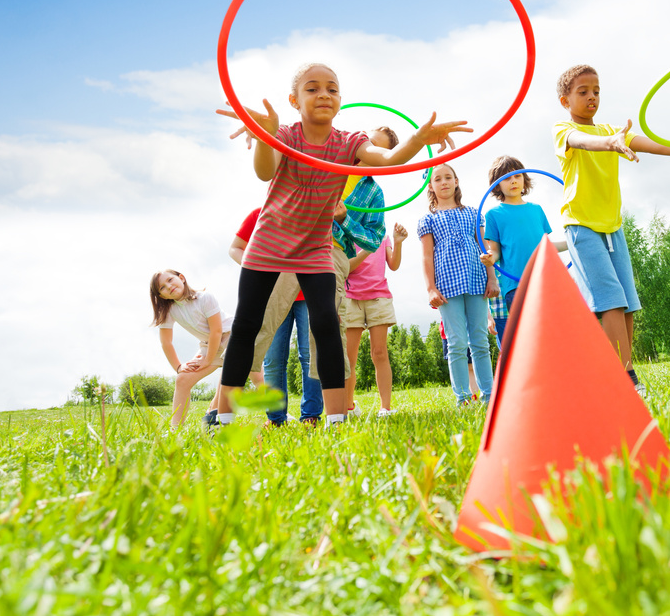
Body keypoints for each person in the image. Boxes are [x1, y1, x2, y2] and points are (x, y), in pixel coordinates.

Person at [215, 63, 469, 426]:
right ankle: (223, 417)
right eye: (312, 88)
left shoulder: (348, 143)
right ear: (294, 99)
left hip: (317, 247)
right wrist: (266, 136)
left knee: (326, 324)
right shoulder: (285, 133)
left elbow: (388, 159)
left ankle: (336, 419)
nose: (323, 95)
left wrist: (417, 140)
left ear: (340, 100)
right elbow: (264, 171)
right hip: (269, 242)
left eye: (332, 89)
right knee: (246, 325)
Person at [554, 64, 670, 398]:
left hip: (613, 226)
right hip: (580, 226)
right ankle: (625, 379)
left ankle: (623, 372)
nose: (592, 97)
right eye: (583, 92)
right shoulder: (563, 130)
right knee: (610, 301)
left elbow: (651, 144)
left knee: (628, 303)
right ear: (566, 100)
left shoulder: (612, 130)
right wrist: (608, 142)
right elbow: (581, 141)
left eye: (596, 90)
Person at [323, 126, 398, 416]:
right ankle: (343, 407)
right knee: (342, 350)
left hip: (345, 267)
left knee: (375, 351)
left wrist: (344, 220)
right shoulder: (329, 165)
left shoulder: (373, 193)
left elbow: (373, 239)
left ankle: (382, 407)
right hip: (311, 253)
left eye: (377, 151)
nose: (366, 153)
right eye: (367, 144)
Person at [418, 163, 498, 405]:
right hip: (447, 286)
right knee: (456, 342)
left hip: (476, 281)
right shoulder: (427, 220)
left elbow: (486, 248)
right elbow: (427, 256)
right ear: (430, 187)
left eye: (448, 177)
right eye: (438, 179)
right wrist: (431, 288)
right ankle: (462, 397)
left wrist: (492, 277)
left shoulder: (473, 213)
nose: (443, 182)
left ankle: (489, 396)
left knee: (480, 340)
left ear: (456, 181)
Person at [231, 208, 320, 426]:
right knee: (272, 358)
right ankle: (276, 418)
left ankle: (311, 415)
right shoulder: (258, 214)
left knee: (309, 354)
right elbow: (235, 249)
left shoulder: (308, 211)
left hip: (306, 292)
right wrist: (258, 272)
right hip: (272, 296)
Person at [480, 155, 568, 349]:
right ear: (496, 186)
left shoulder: (536, 210)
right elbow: (495, 252)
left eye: (517, 176)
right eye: (506, 178)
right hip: (516, 285)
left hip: (546, 279)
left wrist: (572, 243)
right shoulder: (494, 214)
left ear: (524, 179)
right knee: (529, 336)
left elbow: (546, 245)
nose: (513, 181)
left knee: (552, 333)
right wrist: (489, 259)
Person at [149, 269, 228, 429]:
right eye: (162, 288)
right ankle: (175, 430)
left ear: (182, 278)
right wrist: (179, 367)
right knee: (182, 380)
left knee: (245, 376)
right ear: (162, 296)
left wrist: (207, 360)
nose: (168, 286)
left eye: (170, 280)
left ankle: (278, 416)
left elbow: (216, 332)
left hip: (232, 337)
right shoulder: (170, 310)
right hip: (209, 344)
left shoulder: (205, 298)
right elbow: (166, 342)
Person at [343, 221, 408, 416]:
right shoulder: (347, 233)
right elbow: (346, 268)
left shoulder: (382, 235)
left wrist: (398, 242)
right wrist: (366, 249)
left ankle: (385, 408)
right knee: (349, 358)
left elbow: (394, 265)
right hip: (351, 297)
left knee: (379, 353)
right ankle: (349, 407)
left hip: (378, 297)